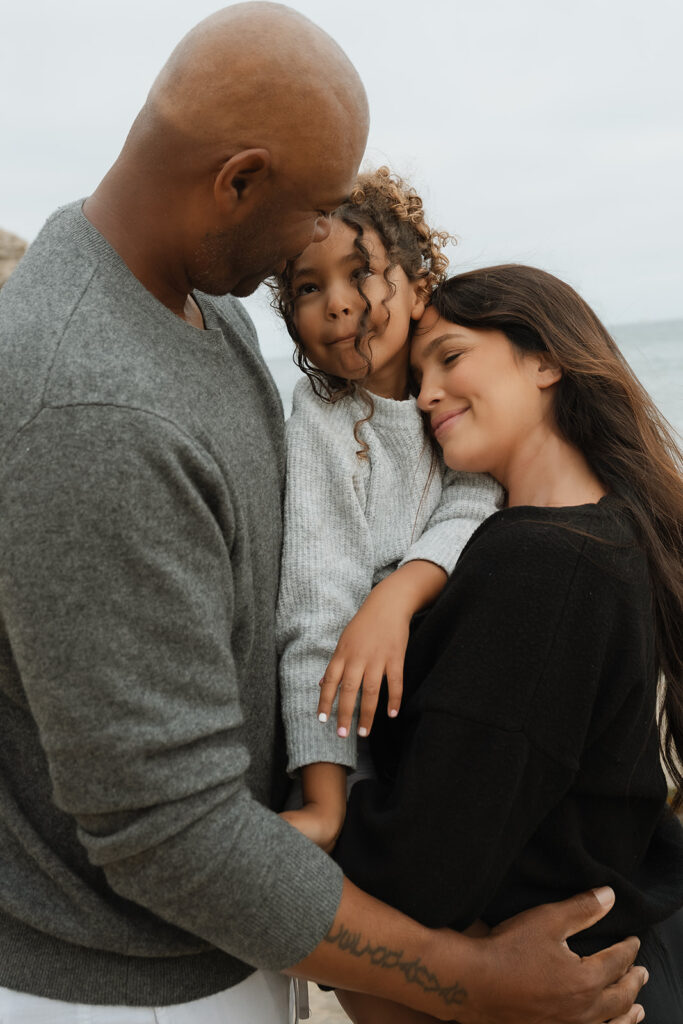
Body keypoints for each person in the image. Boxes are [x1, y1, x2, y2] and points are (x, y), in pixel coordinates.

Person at [0, 3, 647, 1021]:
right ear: (239, 181)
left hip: (255, 933)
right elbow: (170, 832)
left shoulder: (203, 309)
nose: (318, 252)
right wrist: (466, 980)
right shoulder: (88, 404)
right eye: (310, 212)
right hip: (135, 986)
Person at [330, 264, 683, 1023]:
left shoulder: (543, 563)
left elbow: (423, 868)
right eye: (417, 374)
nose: (424, 394)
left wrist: (287, 823)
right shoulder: (615, 530)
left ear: (545, 359)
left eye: (450, 358)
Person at [274, 167, 502, 851]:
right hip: (354, 712)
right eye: (308, 288)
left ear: (418, 289)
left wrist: (400, 594)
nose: (337, 304)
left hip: (456, 686)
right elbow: (316, 600)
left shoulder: (451, 388)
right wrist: (323, 798)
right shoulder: (320, 417)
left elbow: (480, 494)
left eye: (360, 274)